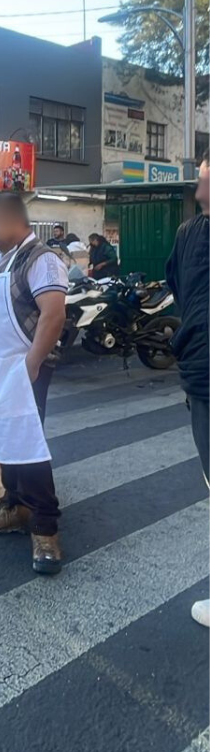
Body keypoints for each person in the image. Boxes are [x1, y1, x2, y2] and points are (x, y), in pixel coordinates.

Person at [0, 192, 69, 575]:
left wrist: (31, 364)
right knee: (4, 438)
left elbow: (53, 316)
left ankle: (45, 526)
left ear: (15, 222)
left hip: (24, 369)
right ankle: (16, 505)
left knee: (26, 441)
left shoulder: (42, 260)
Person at [164, 158, 209, 626]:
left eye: (204, 176)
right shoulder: (187, 233)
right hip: (200, 367)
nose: (198, 185)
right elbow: (179, 287)